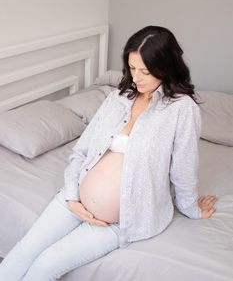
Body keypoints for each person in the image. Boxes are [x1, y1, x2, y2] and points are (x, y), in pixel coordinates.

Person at [0, 26, 217, 280]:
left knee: (45, 266)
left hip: (116, 224)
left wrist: (191, 208)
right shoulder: (118, 98)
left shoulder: (181, 110)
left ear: (165, 67)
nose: (136, 78)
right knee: (23, 252)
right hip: (73, 199)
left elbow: (183, 167)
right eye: (132, 68)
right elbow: (81, 151)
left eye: (145, 71)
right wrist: (72, 196)